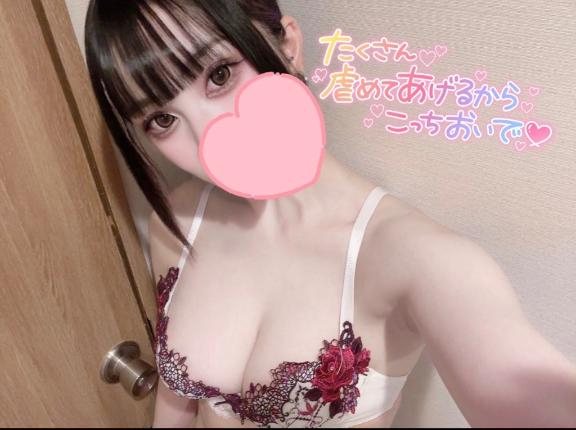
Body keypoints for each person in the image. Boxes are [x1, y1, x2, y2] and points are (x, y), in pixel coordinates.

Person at [84, 0, 576, 428]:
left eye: (219, 75)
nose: (208, 138)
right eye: (162, 119)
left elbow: (523, 388)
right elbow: (176, 404)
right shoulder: (180, 221)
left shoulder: (414, 259)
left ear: (288, 46)